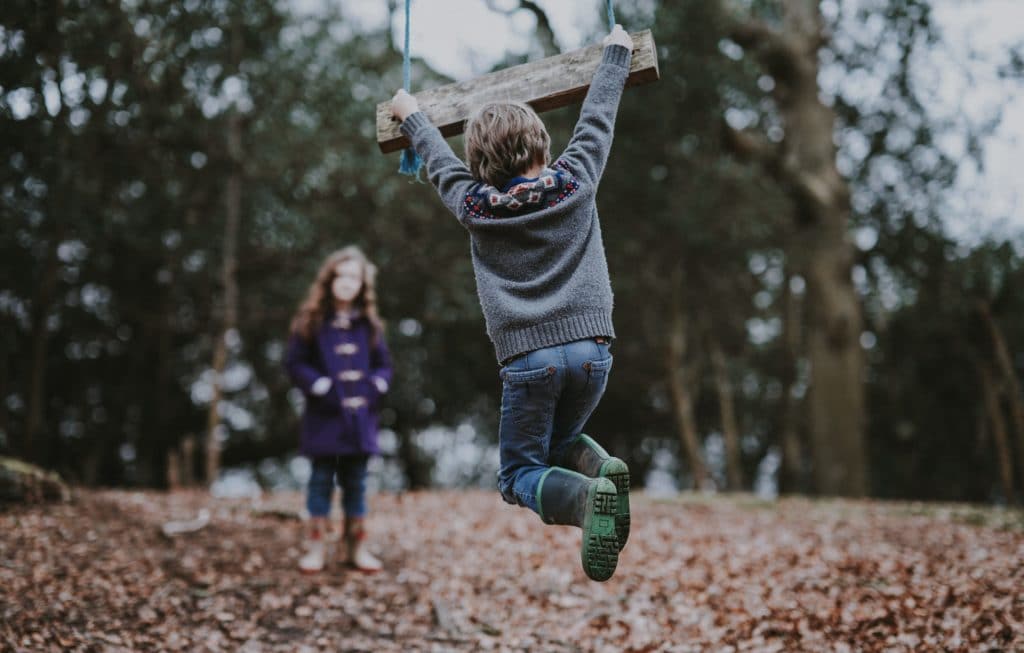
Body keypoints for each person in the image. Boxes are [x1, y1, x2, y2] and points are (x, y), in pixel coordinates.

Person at [389, 25, 634, 582]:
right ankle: (603, 471)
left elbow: (437, 161)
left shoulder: (475, 205)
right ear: (543, 144)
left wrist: (412, 114)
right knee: (563, 442)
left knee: (518, 473)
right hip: (593, 351)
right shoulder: (577, 180)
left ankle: (586, 500)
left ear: (482, 164)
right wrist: (615, 50)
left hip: (530, 360)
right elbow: (598, 117)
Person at [285, 246, 392, 573]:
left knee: (357, 484)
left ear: (363, 285)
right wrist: (319, 386)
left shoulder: (370, 325)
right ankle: (316, 548)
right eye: (341, 276)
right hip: (324, 420)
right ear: (329, 280)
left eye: (354, 278)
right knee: (319, 482)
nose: (347, 283)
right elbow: (294, 362)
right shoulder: (311, 321)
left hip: (360, 422)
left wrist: (376, 385)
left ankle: (355, 548)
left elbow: (384, 365)